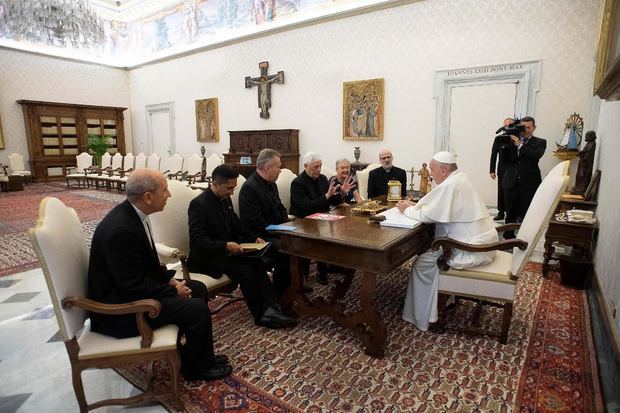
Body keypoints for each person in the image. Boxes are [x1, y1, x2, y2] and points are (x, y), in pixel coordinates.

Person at [87, 169, 232, 382]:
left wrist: (169, 279)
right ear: (147, 197)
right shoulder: (120, 230)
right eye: (164, 190)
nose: (169, 195)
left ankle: (195, 357)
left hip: (131, 293)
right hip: (120, 312)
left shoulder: (134, 215)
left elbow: (146, 264)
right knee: (195, 308)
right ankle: (197, 369)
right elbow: (131, 286)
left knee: (197, 288)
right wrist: (172, 290)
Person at [396, 152, 498, 332]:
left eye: (432, 170)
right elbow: (438, 208)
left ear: (443, 170)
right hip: (480, 243)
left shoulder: (451, 185)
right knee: (428, 253)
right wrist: (415, 206)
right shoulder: (460, 178)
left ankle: (424, 316)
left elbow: (428, 215)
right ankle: (441, 300)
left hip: (469, 249)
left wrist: (406, 210)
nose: (430, 174)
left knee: (422, 264)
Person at [187, 164, 297, 329]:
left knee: (256, 262)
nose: (232, 192)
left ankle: (272, 307)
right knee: (245, 271)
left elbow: (236, 225)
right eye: (229, 188)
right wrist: (225, 246)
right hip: (209, 256)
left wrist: (254, 238)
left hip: (228, 251)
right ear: (215, 184)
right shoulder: (199, 204)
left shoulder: (225, 199)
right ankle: (262, 315)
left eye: (233, 188)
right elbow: (198, 240)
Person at [290, 151, 353, 285]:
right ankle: (306, 277)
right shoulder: (298, 183)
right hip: (304, 221)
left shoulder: (323, 179)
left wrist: (341, 193)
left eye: (320, 166)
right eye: (315, 167)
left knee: (344, 228)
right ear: (306, 166)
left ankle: (330, 267)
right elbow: (306, 207)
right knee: (321, 235)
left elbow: (332, 201)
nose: (319, 170)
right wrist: (326, 197)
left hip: (322, 218)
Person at [238, 148, 292, 297]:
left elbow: (280, 209)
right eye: (278, 167)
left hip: (274, 231)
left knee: (300, 240)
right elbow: (256, 222)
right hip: (258, 236)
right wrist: (281, 231)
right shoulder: (250, 188)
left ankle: (294, 284)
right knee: (285, 248)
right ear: (268, 168)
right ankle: (279, 294)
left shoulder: (271, 184)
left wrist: (289, 227)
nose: (280, 171)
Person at [501, 116, 546, 239]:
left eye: (529, 127)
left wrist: (520, 145)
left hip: (529, 183)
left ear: (534, 127)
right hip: (511, 181)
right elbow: (505, 161)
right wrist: (507, 143)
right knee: (510, 212)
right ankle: (508, 236)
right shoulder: (511, 140)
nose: (526, 129)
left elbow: (535, 156)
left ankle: (525, 237)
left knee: (527, 212)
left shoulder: (540, 142)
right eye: (523, 127)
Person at [489, 117, 514, 221]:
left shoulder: (518, 138)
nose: (507, 127)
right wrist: (492, 170)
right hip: (502, 169)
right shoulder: (499, 139)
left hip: (513, 169)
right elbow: (494, 154)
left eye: (510, 125)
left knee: (511, 192)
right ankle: (501, 212)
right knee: (501, 191)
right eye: (505, 125)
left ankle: (511, 213)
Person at [574, 130, 597, 195]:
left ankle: (582, 189)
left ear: (591, 136)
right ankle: (579, 188)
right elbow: (584, 151)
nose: (585, 137)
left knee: (584, 176)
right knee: (579, 176)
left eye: (587, 135)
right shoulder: (589, 143)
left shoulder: (592, 144)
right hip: (583, 163)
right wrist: (580, 153)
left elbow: (588, 154)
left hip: (586, 165)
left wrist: (580, 154)